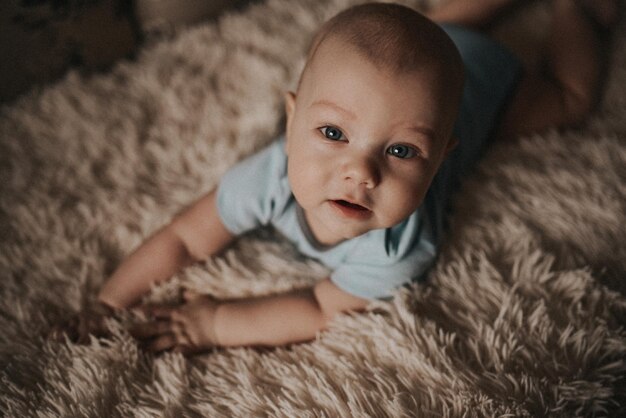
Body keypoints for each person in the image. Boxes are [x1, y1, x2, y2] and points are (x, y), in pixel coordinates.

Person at [51, 0, 617, 353]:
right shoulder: (268, 175)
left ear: (442, 157)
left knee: (566, 101)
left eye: (400, 151)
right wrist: (108, 303)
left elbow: (319, 308)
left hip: (485, 86)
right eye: (332, 134)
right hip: (427, 62)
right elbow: (182, 236)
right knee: (429, 30)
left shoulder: (401, 248)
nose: (360, 171)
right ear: (292, 118)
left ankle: (577, 12)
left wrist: (215, 325)